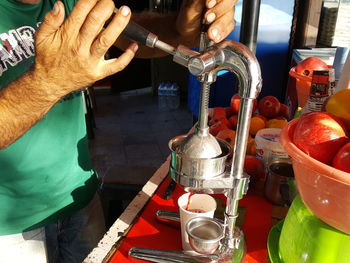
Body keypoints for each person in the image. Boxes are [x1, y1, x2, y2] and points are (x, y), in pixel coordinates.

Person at [0, 0, 237, 262]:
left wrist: (182, 29)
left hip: (79, 199)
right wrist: (48, 83)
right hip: (9, 229)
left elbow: (125, 32)